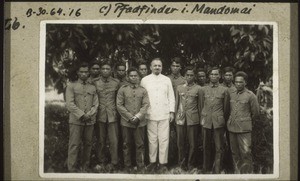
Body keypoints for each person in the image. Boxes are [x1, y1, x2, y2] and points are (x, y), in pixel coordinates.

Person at [140, 58, 175, 172]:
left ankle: (163, 163)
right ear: (150, 67)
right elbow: (142, 97)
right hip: (150, 114)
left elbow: (171, 96)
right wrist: (143, 113)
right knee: (152, 139)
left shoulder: (166, 80)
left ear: (162, 67)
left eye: (159, 66)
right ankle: (152, 162)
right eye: (155, 65)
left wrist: (171, 112)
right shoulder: (145, 80)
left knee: (164, 139)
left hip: (164, 114)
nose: (157, 67)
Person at [65, 62, 99, 172]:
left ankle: (85, 167)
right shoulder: (71, 86)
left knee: (88, 144)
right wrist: (81, 115)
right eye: (81, 72)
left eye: (86, 72)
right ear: (78, 73)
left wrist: (89, 115)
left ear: (89, 73)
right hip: (76, 121)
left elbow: (96, 104)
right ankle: (72, 168)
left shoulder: (93, 88)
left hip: (89, 121)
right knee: (74, 144)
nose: (84, 74)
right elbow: (70, 104)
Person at [116, 67, 150, 173]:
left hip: (140, 123)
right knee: (126, 144)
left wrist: (138, 116)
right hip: (126, 122)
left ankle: (140, 166)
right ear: (127, 77)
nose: (133, 77)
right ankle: (127, 166)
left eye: (135, 76)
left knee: (140, 144)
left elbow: (146, 105)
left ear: (138, 77)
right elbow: (119, 105)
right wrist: (130, 117)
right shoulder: (123, 89)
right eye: (131, 76)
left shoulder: (143, 90)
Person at [227, 71, 260, 173]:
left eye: (240, 82)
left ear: (245, 82)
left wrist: (247, 123)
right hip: (232, 128)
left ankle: (247, 175)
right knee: (234, 153)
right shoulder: (231, 94)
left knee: (245, 153)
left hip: (244, 129)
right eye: (236, 82)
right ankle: (237, 174)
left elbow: (256, 113)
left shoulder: (251, 96)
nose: (238, 84)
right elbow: (229, 110)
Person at [200, 67, 230, 174]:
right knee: (205, 145)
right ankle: (205, 168)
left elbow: (226, 108)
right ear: (209, 76)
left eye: (216, 74)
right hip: (206, 121)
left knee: (219, 147)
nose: (214, 76)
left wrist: (222, 119)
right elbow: (201, 106)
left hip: (218, 122)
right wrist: (203, 118)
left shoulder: (224, 90)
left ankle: (217, 169)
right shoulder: (203, 89)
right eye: (212, 74)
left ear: (220, 76)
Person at [93, 60, 120, 170]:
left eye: (107, 69)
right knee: (101, 140)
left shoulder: (116, 82)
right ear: (100, 70)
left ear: (111, 70)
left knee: (114, 140)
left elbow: (119, 99)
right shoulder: (95, 82)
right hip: (100, 115)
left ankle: (114, 162)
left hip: (112, 115)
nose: (105, 71)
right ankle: (101, 161)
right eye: (103, 68)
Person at [175, 66, 202, 170]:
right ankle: (181, 164)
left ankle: (191, 164)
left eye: (191, 75)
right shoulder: (179, 88)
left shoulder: (198, 88)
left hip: (193, 119)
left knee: (193, 144)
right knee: (180, 143)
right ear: (184, 76)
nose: (189, 77)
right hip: (180, 119)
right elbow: (177, 104)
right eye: (187, 75)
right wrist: (176, 117)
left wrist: (200, 120)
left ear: (194, 76)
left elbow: (200, 105)